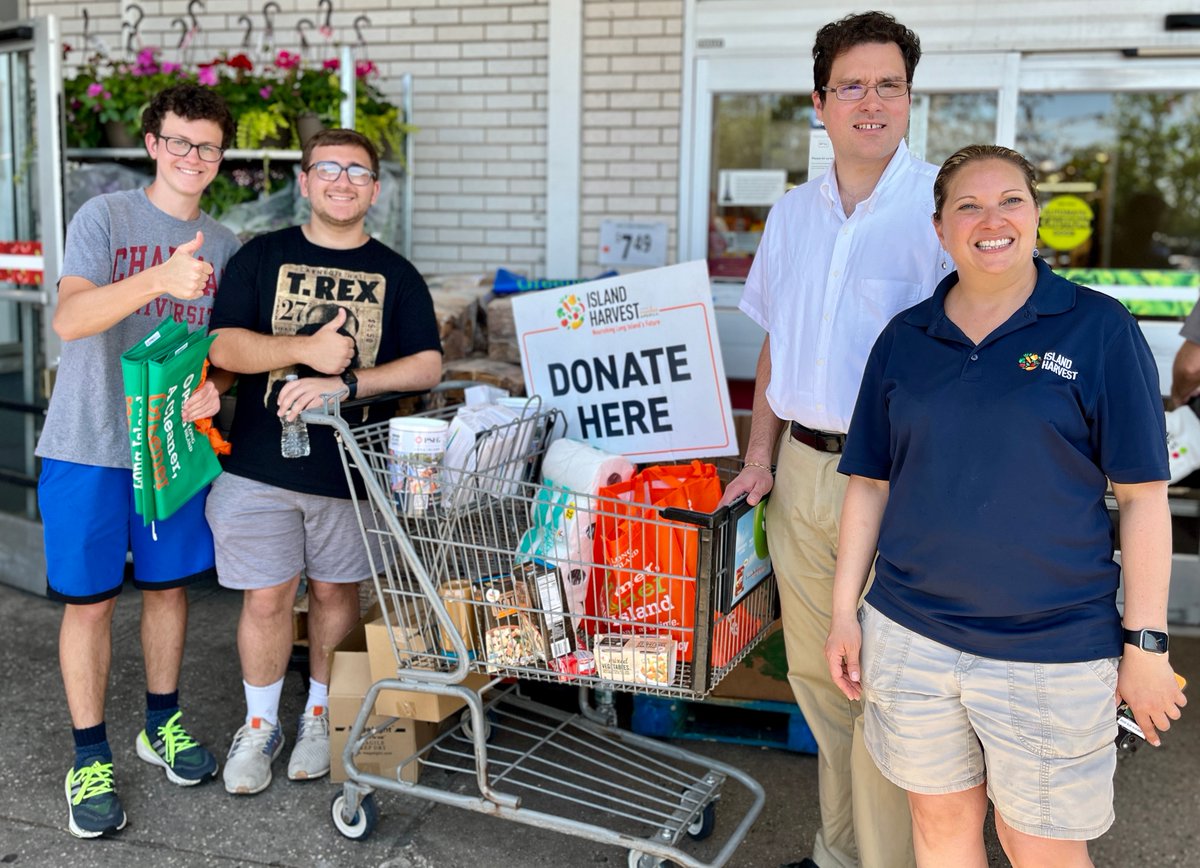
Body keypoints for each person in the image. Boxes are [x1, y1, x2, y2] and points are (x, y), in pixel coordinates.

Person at [825, 144, 1187, 867]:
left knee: (1039, 844)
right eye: (968, 204)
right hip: (911, 635)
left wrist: (1145, 645)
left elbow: (1144, 498)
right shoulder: (906, 338)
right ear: (939, 229)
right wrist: (845, 615)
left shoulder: (1098, 330)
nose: (991, 220)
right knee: (940, 826)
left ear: (1036, 218)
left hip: (1049, 647)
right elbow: (869, 483)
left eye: (1010, 201)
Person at [719, 11, 945, 868]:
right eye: (852, 85)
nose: (871, 102)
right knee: (821, 679)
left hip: (895, 481)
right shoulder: (792, 215)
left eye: (890, 85)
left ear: (909, 100)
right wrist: (759, 456)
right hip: (802, 474)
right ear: (820, 102)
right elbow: (780, 341)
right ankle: (837, 853)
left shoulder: (937, 210)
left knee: (886, 689)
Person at [206, 128, 442, 795]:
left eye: (358, 172)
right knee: (268, 596)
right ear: (305, 181)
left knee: (338, 594)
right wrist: (304, 351)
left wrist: (349, 384)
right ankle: (259, 725)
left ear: (374, 188)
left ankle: (318, 714)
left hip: (351, 474)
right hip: (258, 467)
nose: (343, 181)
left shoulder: (397, 273)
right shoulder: (262, 256)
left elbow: (428, 362)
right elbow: (223, 346)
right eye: (328, 169)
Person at [36, 83, 241, 837]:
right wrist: (157, 278)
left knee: (167, 591)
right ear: (153, 143)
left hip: (169, 449)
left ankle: (162, 725)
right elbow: (69, 316)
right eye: (180, 142)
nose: (193, 157)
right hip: (88, 444)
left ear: (222, 158)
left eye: (208, 147)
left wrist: (214, 391)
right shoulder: (107, 217)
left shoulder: (225, 247)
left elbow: (224, 356)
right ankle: (89, 755)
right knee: (89, 602)